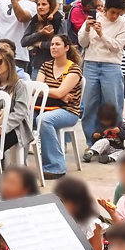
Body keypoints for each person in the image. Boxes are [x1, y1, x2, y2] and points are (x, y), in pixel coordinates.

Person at [78, 0, 125, 143]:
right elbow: (82, 43)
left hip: (111, 65)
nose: (114, 16)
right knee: (89, 106)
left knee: (112, 105)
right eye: (112, 12)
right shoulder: (94, 19)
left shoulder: (123, 23)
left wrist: (101, 34)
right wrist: (88, 29)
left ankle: (113, 141)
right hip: (91, 63)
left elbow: (117, 46)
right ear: (105, 9)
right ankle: (92, 142)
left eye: (118, 13)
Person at [34, 35, 83, 178]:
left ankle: (56, 167)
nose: (53, 47)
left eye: (57, 44)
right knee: (21, 117)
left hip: (68, 111)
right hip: (44, 107)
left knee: (44, 120)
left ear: (67, 48)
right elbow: (36, 89)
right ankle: (16, 163)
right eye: (52, 44)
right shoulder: (46, 66)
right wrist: (57, 94)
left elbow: (59, 91)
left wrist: (51, 91)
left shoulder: (74, 69)